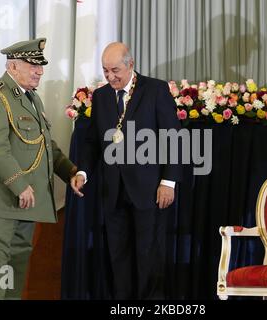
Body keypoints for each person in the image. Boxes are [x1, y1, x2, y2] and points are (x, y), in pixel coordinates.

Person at [0, 38, 83, 300]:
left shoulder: (31, 98)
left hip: (25, 203)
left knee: (13, 270)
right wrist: (20, 184)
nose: (40, 71)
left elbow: (43, 145)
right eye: (33, 65)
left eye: (40, 66)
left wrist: (70, 172)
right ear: (12, 66)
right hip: (0, 202)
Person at [74, 42, 183, 299]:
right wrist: (83, 173)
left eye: (115, 70)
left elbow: (173, 139)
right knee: (118, 258)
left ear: (130, 65)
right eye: (105, 71)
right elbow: (92, 142)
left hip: (150, 190)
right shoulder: (100, 97)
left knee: (149, 257)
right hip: (113, 191)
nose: (110, 76)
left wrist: (168, 182)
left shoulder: (155, 90)